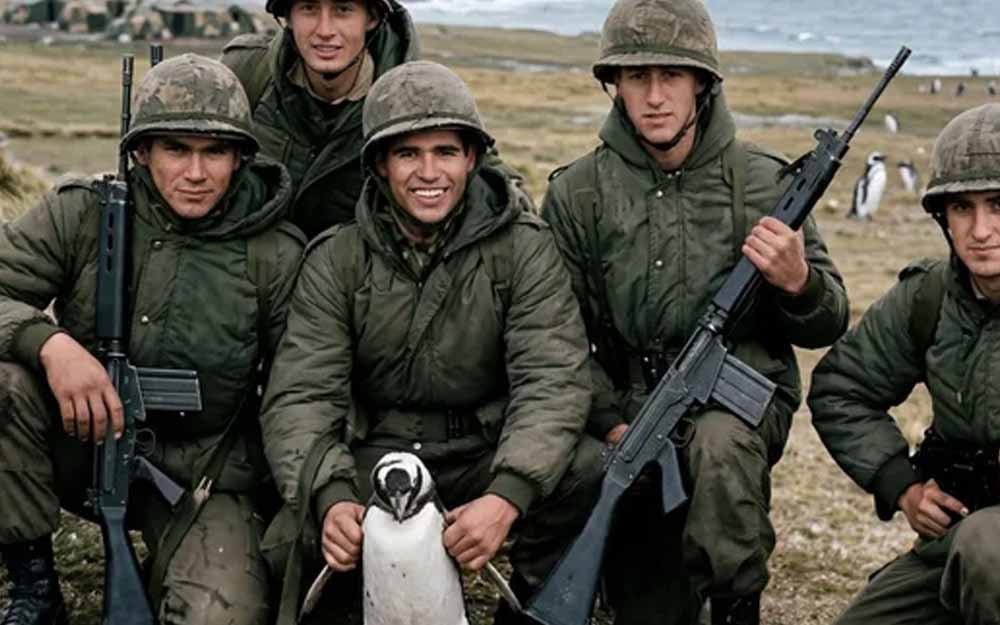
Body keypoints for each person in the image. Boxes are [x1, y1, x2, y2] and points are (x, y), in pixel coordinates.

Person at [258, 60, 603, 625]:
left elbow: (553, 380)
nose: (428, 172)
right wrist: (332, 497)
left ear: (472, 158)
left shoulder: (524, 249)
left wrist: (507, 495)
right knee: (289, 542)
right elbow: (302, 395)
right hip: (375, 457)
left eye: (445, 151)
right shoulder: (336, 259)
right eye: (407, 154)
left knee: (586, 470)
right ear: (379, 164)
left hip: (482, 451)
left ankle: (533, 608)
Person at [540, 1, 850, 623]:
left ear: (702, 83)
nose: (655, 97)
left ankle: (736, 605)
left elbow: (829, 320)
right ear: (615, 84)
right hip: (627, 406)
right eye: (637, 77)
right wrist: (610, 420)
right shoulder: (577, 193)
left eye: (672, 76)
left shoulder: (764, 183)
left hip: (735, 406)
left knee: (718, 444)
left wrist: (799, 282)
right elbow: (555, 337)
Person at [0, 54, 304, 625]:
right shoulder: (83, 214)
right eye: (175, 149)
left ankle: (169, 564)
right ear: (141, 152)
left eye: (215, 151)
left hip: (202, 473)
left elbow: (303, 387)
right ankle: (33, 586)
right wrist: (48, 344)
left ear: (241, 158)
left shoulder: (276, 254)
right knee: (5, 383)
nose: (196, 172)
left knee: (219, 617)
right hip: (81, 442)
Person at [809, 103, 1000, 625]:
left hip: (986, 548)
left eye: (998, 204)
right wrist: (904, 486)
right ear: (943, 217)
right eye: (962, 207)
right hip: (958, 537)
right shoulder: (930, 296)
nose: (981, 229)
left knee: (987, 547)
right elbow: (842, 389)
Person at [220, 0, 415, 239]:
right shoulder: (247, 75)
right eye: (308, 8)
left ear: (371, 18)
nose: (325, 30)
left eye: (343, 10)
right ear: (289, 18)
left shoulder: (410, 104)